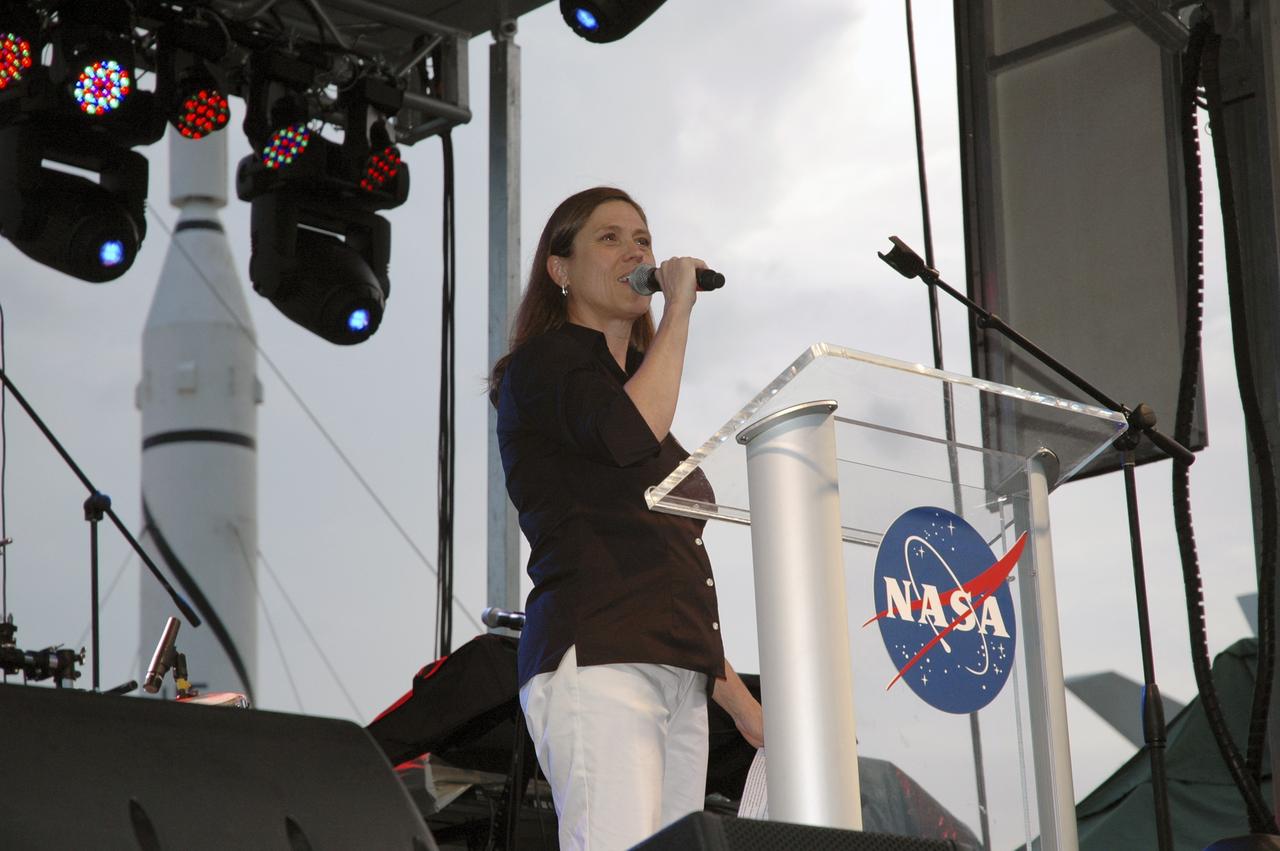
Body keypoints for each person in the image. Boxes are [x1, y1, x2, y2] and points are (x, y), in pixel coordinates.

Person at [489, 187, 764, 850]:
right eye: (610, 237)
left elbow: (663, 568)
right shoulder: (544, 367)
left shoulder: (641, 388)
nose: (636, 250)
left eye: (642, 238)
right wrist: (680, 310)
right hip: (602, 659)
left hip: (678, 677)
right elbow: (630, 429)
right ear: (559, 269)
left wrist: (742, 705)